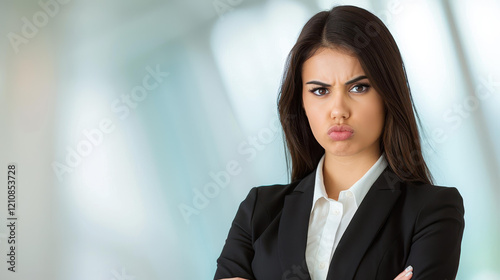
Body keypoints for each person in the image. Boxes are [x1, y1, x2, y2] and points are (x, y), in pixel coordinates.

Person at [214, 5, 465, 280]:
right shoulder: (258, 212)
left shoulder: (432, 211)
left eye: (358, 87)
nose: (338, 110)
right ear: (302, 102)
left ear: (387, 93)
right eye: (320, 91)